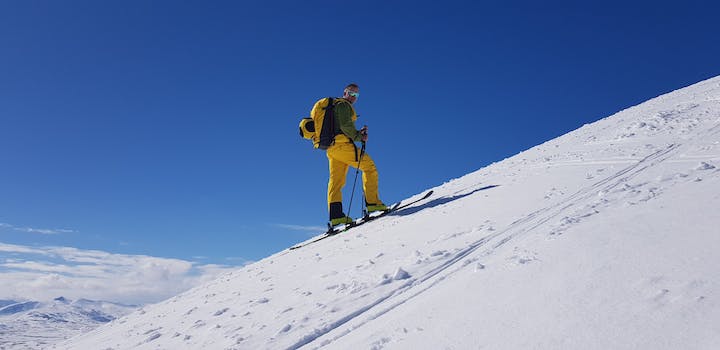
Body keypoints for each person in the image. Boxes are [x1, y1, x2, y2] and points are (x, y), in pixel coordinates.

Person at [326, 83, 387, 225]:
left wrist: (358, 133)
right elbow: (346, 127)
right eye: (351, 93)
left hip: (332, 148)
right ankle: (372, 203)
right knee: (369, 167)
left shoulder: (334, 107)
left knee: (336, 181)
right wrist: (360, 137)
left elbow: (341, 127)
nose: (354, 97)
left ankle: (336, 216)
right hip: (343, 146)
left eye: (356, 95)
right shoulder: (343, 105)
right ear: (345, 92)